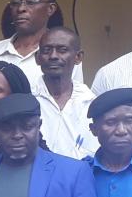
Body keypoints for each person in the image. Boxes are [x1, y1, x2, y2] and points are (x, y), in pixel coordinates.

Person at [0, 0, 83, 88]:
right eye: (16, 2)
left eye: (31, 2)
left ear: (50, 9)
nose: (21, 8)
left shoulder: (66, 55)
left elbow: (73, 96)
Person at [33, 28, 96, 158]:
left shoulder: (90, 102)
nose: (53, 56)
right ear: (38, 58)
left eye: (62, 50)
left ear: (78, 57)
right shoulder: (27, 99)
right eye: (47, 50)